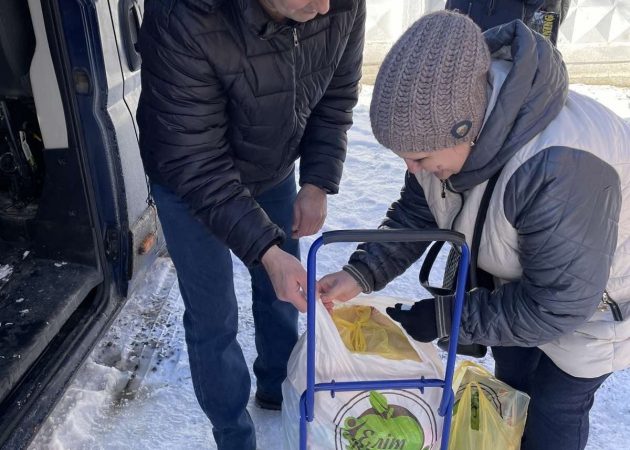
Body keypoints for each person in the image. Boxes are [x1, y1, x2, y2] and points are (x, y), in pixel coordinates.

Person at [319, 10, 630, 450]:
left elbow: (558, 303)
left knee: (554, 410)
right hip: (516, 283)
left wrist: (446, 318)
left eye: (420, 158)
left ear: (468, 129)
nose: (413, 169)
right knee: (512, 393)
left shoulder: (558, 165)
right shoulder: (442, 133)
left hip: (593, 305)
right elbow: (416, 212)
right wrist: (360, 274)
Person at [136, 0, 365, 448]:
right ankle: (234, 435)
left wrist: (318, 180)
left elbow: (337, 92)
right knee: (213, 316)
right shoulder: (184, 16)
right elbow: (197, 162)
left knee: (285, 293)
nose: (322, 7)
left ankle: (281, 390)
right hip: (190, 178)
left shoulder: (338, 4)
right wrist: (264, 249)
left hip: (273, 164)